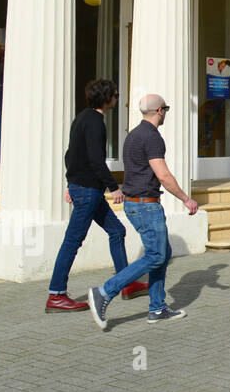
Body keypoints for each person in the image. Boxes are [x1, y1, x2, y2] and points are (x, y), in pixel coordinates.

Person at [87, 94, 200, 329]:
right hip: (146, 204)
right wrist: (185, 199)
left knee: (162, 252)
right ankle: (104, 292)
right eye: (166, 109)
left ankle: (157, 308)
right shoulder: (152, 137)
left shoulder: (134, 135)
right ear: (159, 110)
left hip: (135, 203)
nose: (166, 113)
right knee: (156, 255)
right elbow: (163, 175)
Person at [46, 80, 147, 312]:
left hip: (84, 188)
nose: (117, 97)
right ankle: (56, 294)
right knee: (72, 242)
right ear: (107, 97)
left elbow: (70, 155)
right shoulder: (95, 123)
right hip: (88, 191)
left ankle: (126, 283)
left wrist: (71, 183)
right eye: (116, 94)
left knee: (116, 230)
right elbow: (95, 160)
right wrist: (114, 187)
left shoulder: (82, 117)